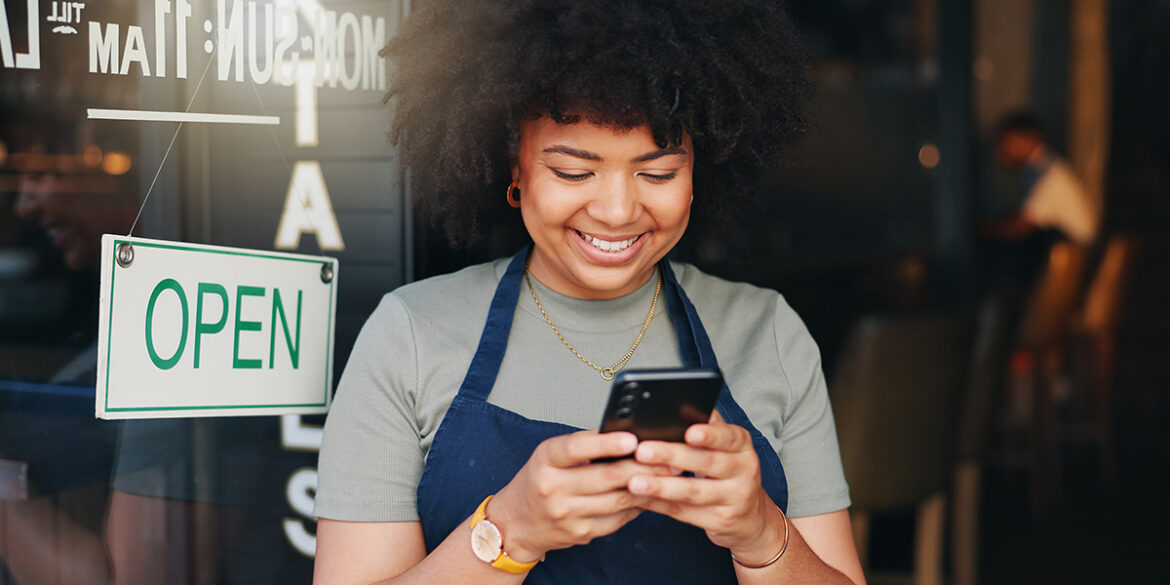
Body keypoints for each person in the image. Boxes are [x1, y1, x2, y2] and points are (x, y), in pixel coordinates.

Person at [313, 1, 864, 584]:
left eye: (658, 173)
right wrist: (509, 530)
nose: (618, 211)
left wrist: (758, 532)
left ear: (703, 167)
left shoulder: (766, 332)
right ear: (513, 167)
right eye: (575, 173)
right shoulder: (410, 336)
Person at [980, 111, 1101, 286]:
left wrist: (980, 229)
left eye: (1006, 143)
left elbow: (1021, 227)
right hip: (1071, 257)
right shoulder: (1035, 171)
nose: (1001, 153)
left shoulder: (1048, 175)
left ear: (1030, 139)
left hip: (1075, 262)